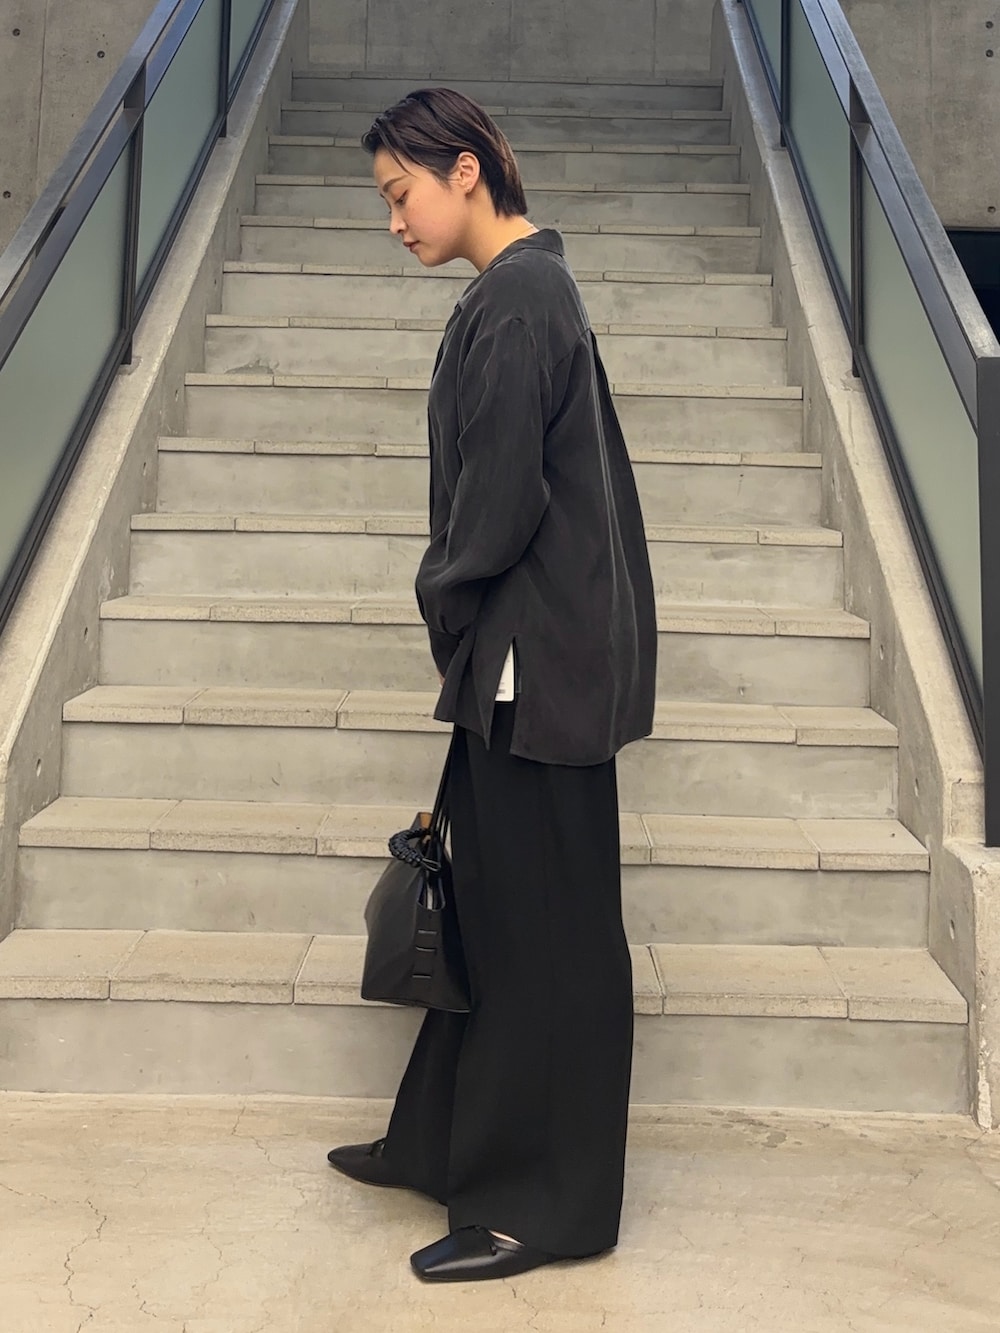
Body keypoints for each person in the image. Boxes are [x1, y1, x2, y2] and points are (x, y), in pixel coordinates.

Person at [327, 87, 657, 1284]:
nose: (394, 220)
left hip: (535, 670)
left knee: (549, 941)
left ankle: (543, 1205)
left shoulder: (519, 300)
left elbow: (498, 503)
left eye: (399, 193)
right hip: (526, 666)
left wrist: (443, 600)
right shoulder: (524, 292)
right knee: (500, 917)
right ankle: (442, 1139)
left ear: (464, 170)